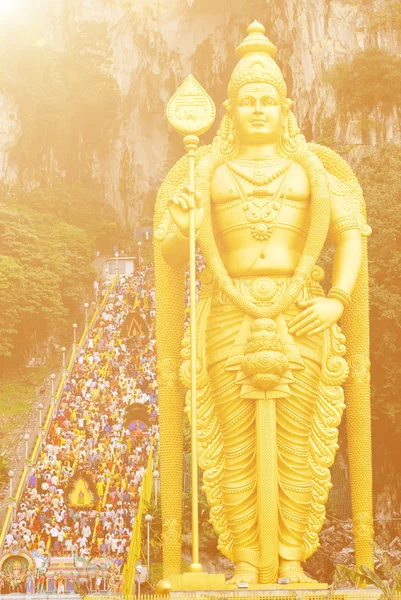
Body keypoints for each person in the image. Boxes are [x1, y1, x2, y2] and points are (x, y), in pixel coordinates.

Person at [155, 21, 373, 584]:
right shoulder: (206, 171)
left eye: (267, 101)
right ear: (229, 110)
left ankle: (292, 562)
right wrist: (183, 221)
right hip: (228, 315)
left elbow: (350, 235)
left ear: (285, 108)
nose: (257, 110)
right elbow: (174, 252)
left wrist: (338, 300)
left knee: (299, 445)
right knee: (233, 446)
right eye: (247, 100)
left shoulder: (313, 172)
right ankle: (247, 562)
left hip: (302, 310)